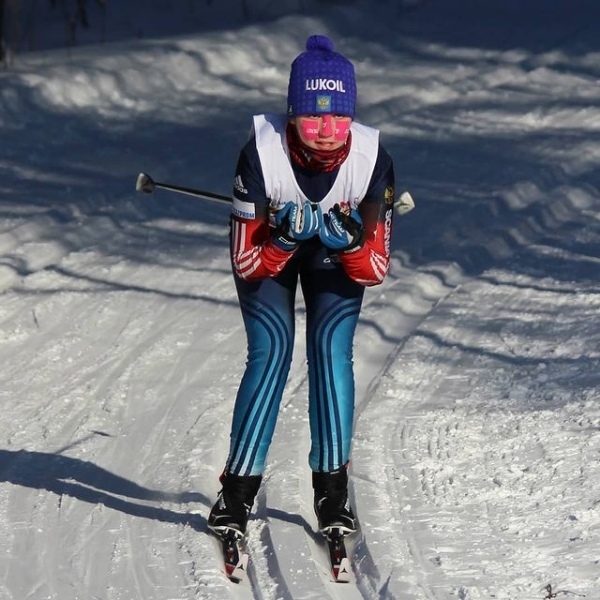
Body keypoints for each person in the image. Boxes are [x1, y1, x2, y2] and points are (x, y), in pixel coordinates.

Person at [208, 34, 396, 540]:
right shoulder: (260, 155)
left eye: (339, 117)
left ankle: (332, 495)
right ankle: (237, 492)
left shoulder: (372, 157)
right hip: (274, 255)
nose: (328, 130)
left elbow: (375, 268)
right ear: (291, 114)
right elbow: (247, 263)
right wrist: (284, 239)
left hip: (333, 257)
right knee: (271, 350)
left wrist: (353, 240)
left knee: (332, 351)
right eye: (314, 117)